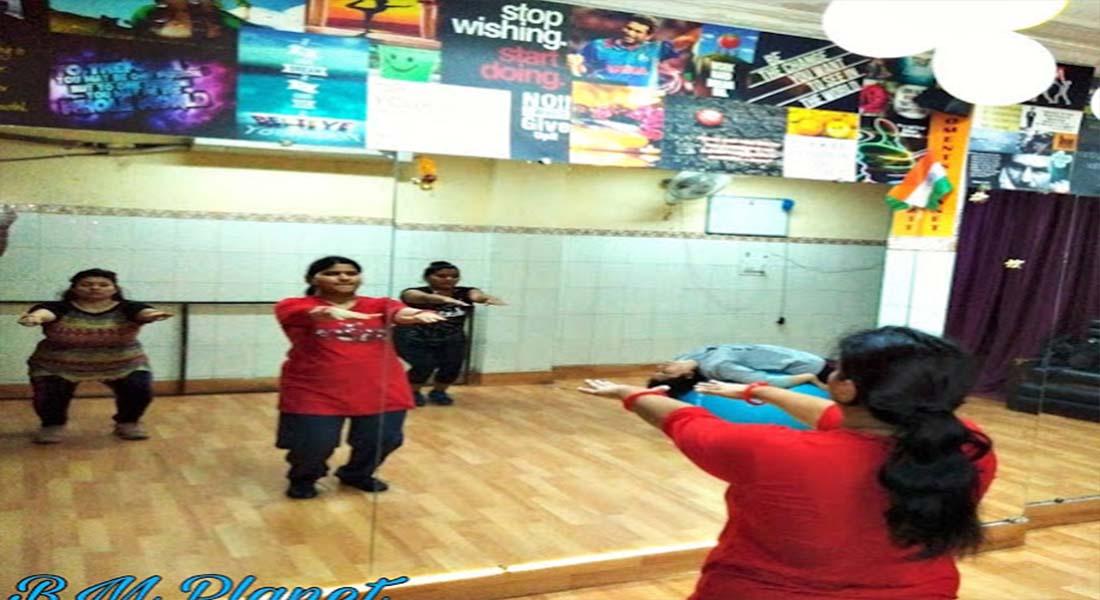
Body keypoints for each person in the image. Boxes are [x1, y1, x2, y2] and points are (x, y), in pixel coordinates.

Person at [578, 326, 997, 599]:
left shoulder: (776, 452)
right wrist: (759, 391)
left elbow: (685, 421)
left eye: (837, 372)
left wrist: (630, 394)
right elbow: (837, 418)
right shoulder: (968, 447)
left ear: (846, 388)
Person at [275, 256, 446, 500]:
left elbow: (398, 311)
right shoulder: (292, 304)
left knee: (384, 439)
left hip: (380, 386)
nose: (344, 277)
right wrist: (326, 311)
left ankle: (356, 473)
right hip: (315, 389)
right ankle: (304, 478)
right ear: (312, 279)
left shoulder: (377, 304)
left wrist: (415, 313)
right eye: (332, 273)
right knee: (314, 442)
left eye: (351, 273)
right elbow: (302, 313)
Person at [17, 268, 173, 444]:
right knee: (49, 394)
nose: (95, 288)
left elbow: (143, 312)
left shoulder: (128, 307)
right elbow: (44, 314)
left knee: (139, 389)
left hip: (123, 363)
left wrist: (153, 315)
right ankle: (52, 425)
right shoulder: (58, 307)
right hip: (57, 364)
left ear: (115, 289)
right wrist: (35, 318)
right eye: (87, 284)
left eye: (103, 285)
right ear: (74, 288)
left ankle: (128, 422)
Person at [395, 261, 505, 406]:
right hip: (414, 336)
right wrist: (443, 299)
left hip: (451, 337)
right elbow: (423, 298)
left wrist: (485, 298)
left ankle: (439, 392)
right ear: (427, 277)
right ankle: (412, 392)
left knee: (452, 366)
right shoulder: (412, 292)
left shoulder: (464, 292)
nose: (449, 279)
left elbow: (476, 295)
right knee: (424, 365)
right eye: (442, 276)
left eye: (454, 276)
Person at [649, 343, 833, 398]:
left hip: (805, 356)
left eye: (662, 369)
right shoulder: (718, 367)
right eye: (666, 372)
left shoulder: (688, 357)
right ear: (688, 375)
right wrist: (810, 378)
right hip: (816, 367)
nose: (665, 366)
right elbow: (767, 382)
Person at [568, 14, 680, 88]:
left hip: (643, 99)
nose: (630, 33)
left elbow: (687, 46)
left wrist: (676, 74)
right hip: (601, 94)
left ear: (648, 36)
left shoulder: (657, 48)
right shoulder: (598, 45)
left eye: (637, 31)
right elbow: (581, 66)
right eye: (629, 28)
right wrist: (575, 66)